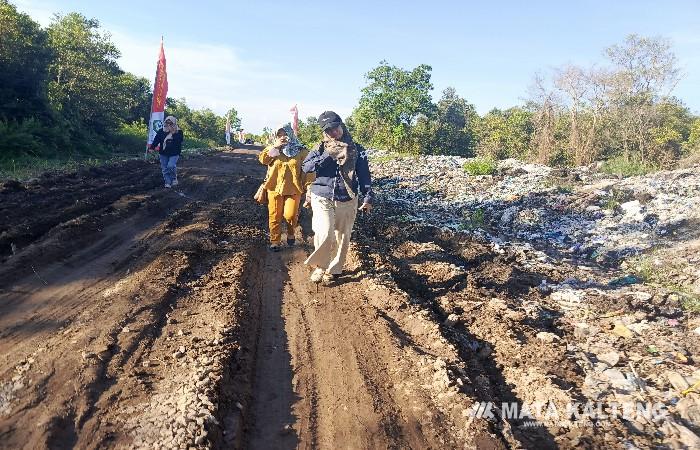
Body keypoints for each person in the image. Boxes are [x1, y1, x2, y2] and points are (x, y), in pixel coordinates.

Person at [302, 111, 373, 285]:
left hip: (347, 197)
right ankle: (320, 266)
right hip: (322, 195)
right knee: (324, 232)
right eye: (329, 130)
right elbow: (306, 168)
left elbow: (364, 175)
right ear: (324, 131)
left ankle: (334, 269)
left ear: (341, 125)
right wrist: (329, 154)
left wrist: (368, 196)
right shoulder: (320, 147)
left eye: (335, 128)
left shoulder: (357, 149)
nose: (333, 132)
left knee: (343, 235)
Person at [259, 124, 313, 252]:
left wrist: (309, 187)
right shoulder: (272, 150)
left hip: (294, 189)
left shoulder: (301, 151)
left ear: (291, 134)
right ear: (275, 136)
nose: (283, 137)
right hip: (274, 188)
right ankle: (275, 241)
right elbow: (263, 160)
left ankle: (290, 232)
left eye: (285, 134)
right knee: (274, 215)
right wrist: (275, 147)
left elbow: (309, 171)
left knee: (290, 215)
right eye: (279, 135)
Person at [149, 116, 183, 188]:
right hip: (163, 153)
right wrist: (152, 148)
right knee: (164, 169)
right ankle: (167, 182)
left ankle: (174, 179)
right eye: (167, 123)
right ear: (165, 123)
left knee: (170, 166)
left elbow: (179, 141)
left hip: (174, 153)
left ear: (174, 123)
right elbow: (156, 140)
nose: (169, 125)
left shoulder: (179, 131)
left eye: (171, 123)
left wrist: (173, 133)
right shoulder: (161, 131)